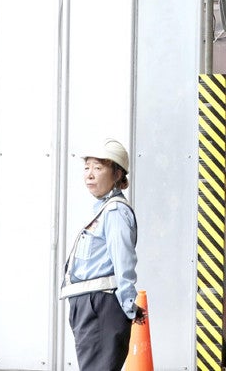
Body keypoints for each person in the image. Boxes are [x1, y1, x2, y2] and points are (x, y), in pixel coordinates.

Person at [62, 139, 144, 371]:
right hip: (90, 302)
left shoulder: (115, 211)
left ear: (117, 174)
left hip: (101, 303)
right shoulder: (102, 209)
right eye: (87, 167)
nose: (89, 174)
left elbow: (123, 261)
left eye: (98, 168)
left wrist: (129, 304)